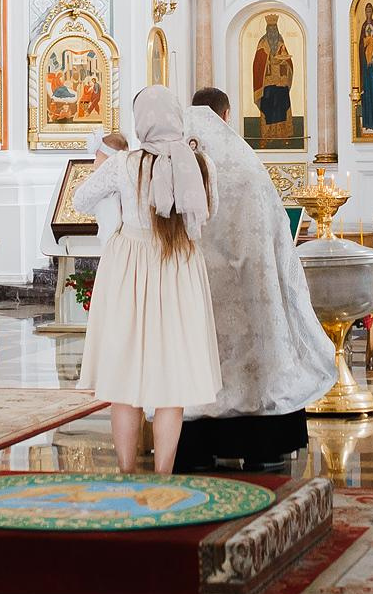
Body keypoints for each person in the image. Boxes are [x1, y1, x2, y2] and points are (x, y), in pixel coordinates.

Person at [177, 90, 336, 470]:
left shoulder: (178, 165)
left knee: (204, 363)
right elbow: (276, 234)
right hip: (249, 290)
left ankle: (196, 448)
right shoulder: (245, 167)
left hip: (197, 291)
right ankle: (260, 447)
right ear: (227, 115)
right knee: (254, 367)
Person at [78, 90, 220, 473]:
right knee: (172, 379)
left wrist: (119, 204)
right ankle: (163, 476)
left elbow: (81, 198)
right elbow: (211, 210)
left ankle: (126, 472)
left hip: (129, 267)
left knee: (125, 376)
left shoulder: (124, 165)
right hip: (178, 267)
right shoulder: (200, 162)